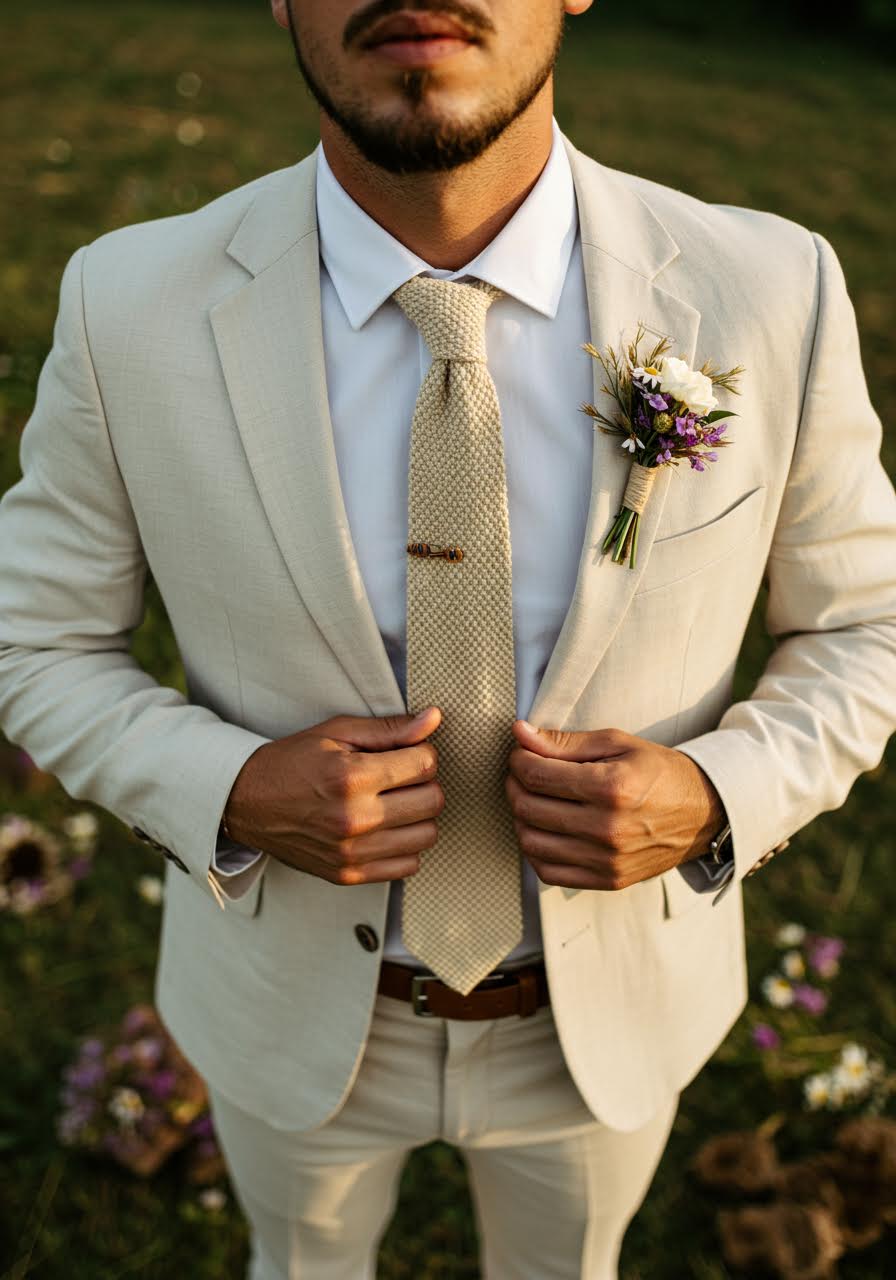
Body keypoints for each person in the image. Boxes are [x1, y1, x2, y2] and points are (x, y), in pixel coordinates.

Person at [1, 0, 894, 1275]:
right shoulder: (126, 303)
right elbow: (32, 636)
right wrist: (232, 787)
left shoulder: (769, 288)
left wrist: (713, 794)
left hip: (609, 1010)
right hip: (284, 1002)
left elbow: (868, 620)